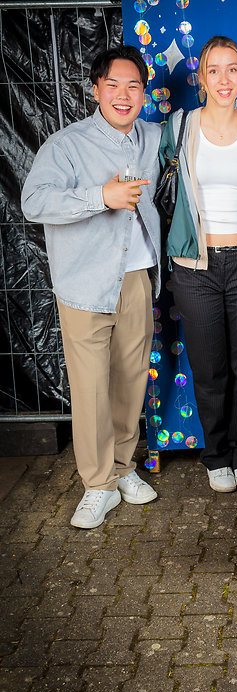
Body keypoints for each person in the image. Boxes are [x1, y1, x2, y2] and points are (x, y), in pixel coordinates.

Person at [21, 45, 161, 528]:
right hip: (85, 284)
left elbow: (199, 127)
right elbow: (34, 202)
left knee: (130, 381)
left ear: (144, 93)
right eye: (113, 85)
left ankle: (122, 468)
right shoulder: (66, 145)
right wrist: (101, 195)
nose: (124, 95)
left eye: (133, 85)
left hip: (136, 278)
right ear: (96, 89)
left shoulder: (152, 137)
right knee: (90, 389)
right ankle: (98, 484)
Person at [163, 36, 237, 494]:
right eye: (213, 70)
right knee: (209, 370)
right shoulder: (181, 125)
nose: (224, 79)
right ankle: (217, 455)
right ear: (201, 78)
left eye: (232, 69)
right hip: (193, 264)